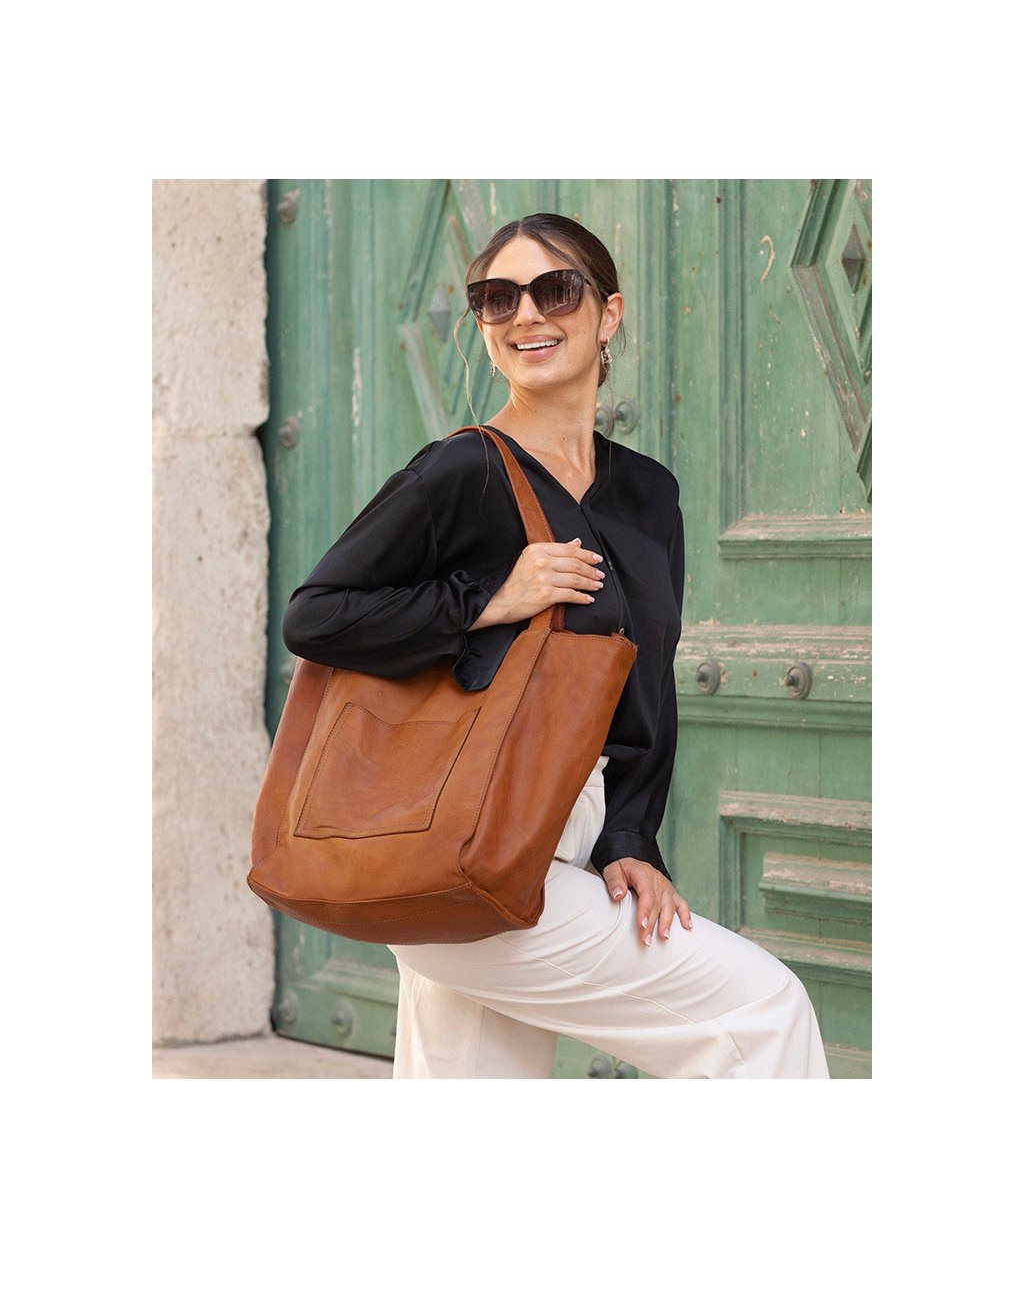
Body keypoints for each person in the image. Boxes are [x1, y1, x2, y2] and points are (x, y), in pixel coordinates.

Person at [282, 212, 830, 1080]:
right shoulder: (462, 471)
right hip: (459, 834)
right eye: (498, 298)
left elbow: (645, 685)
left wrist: (630, 840)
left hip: (566, 827)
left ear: (608, 314)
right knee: (763, 1010)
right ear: (482, 326)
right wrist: (489, 599)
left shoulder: (649, 494)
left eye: (555, 290)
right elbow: (316, 615)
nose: (526, 314)